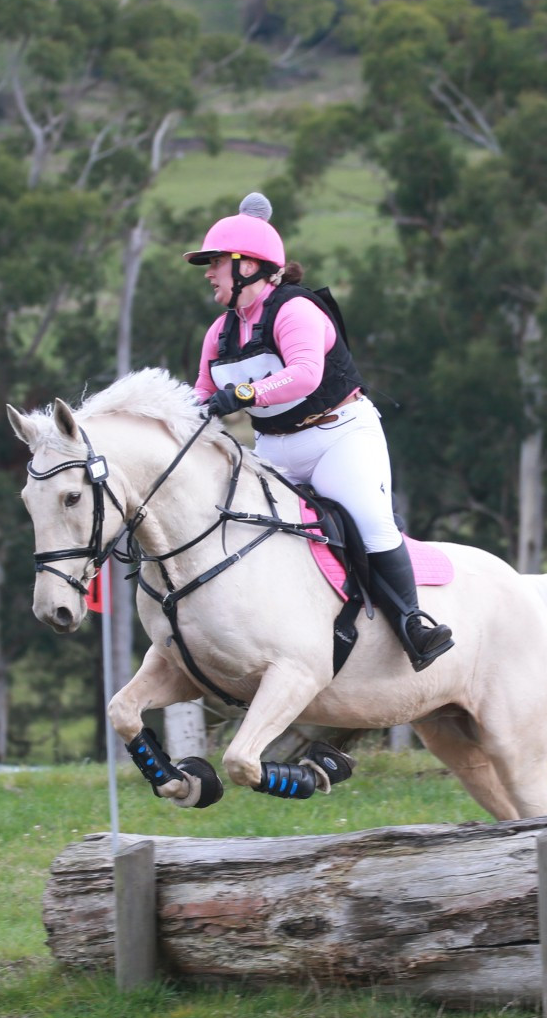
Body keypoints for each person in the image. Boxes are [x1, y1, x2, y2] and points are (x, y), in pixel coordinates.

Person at [187, 193, 454, 671]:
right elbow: (202, 395)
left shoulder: (297, 310)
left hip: (339, 436)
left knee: (369, 521)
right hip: (272, 448)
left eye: (216, 263)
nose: (208, 273)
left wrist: (243, 396)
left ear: (248, 265)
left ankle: (414, 624)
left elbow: (306, 374)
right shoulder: (219, 333)